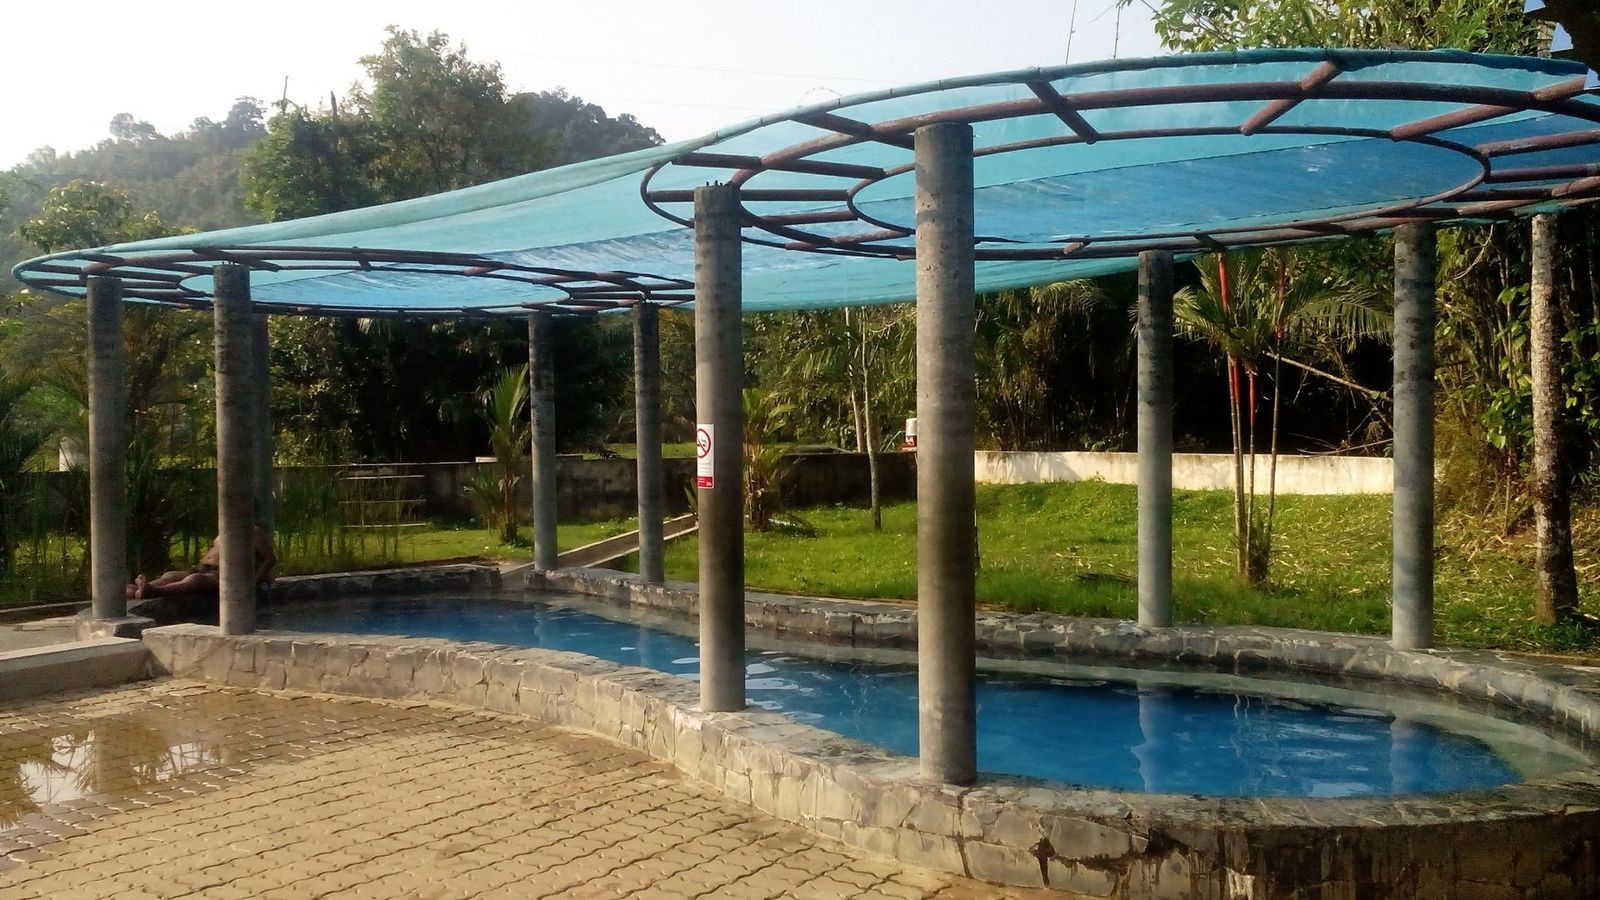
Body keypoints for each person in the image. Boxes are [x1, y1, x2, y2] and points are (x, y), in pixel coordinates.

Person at [128, 526, 276, 599]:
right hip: (203, 568)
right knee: (170, 575)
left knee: (195, 580)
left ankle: (154, 591)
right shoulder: (226, 526)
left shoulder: (253, 531)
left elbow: (270, 559)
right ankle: (139, 589)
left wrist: (252, 584)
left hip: (224, 573)